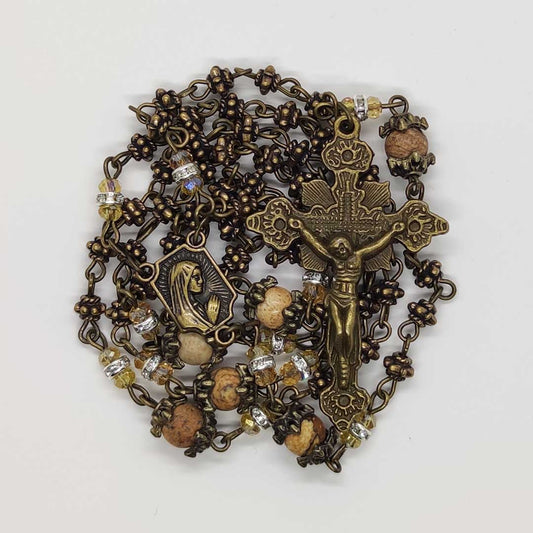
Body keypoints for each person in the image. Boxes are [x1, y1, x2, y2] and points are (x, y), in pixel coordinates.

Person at [169, 261, 220, 333]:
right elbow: (199, 333)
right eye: (196, 277)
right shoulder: (182, 317)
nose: (201, 281)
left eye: (201, 276)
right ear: (183, 281)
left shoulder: (198, 306)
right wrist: (211, 319)